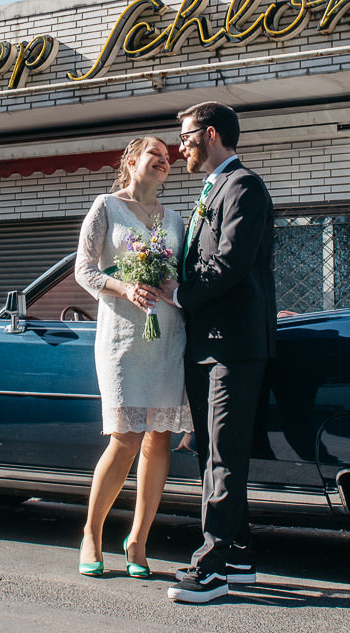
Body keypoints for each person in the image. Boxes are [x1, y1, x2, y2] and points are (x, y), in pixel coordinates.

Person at [166, 101, 275, 605]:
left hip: (234, 346)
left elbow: (230, 262)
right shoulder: (211, 189)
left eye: (187, 137)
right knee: (213, 454)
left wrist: (177, 292)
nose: (180, 146)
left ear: (210, 135)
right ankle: (240, 557)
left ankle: (210, 569)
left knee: (224, 456)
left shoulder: (244, 187)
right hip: (205, 346)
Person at [74, 135, 192, 578]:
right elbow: (82, 269)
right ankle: (91, 534)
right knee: (125, 437)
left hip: (168, 338)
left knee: (159, 436)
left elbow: (184, 276)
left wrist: (174, 294)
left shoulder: (177, 219)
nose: (165, 160)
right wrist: (124, 286)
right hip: (123, 337)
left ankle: (139, 540)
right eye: (155, 154)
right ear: (131, 160)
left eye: (168, 156)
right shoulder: (106, 206)